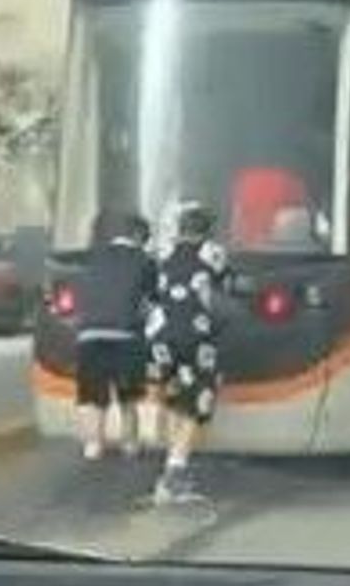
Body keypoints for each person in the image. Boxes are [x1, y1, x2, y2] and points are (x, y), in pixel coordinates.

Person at [146, 204, 228, 502]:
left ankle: (171, 464)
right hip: (193, 335)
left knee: (173, 398)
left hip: (158, 336)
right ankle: (175, 471)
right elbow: (224, 282)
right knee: (199, 401)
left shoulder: (161, 251)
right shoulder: (212, 252)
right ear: (207, 230)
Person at [74, 211, 157, 461]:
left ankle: (93, 445)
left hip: (89, 334)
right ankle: (129, 444)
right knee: (128, 396)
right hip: (126, 334)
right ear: (140, 236)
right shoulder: (145, 261)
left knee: (93, 397)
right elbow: (154, 300)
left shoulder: (93, 257)